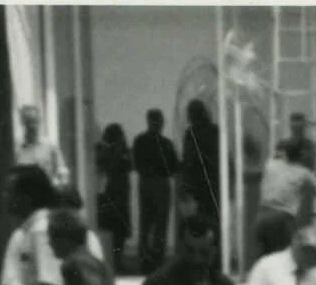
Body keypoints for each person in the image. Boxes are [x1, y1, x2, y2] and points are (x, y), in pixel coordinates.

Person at [133, 110, 180, 272]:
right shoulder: (166, 143)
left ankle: (144, 260)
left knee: (145, 224)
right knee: (161, 224)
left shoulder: (139, 141)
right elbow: (174, 167)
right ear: (161, 123)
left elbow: (136, 165)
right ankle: (158, 260)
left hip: (145, 183)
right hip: (161, 185)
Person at [94, 123, 134, 269]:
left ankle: (111, 259)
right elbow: (129, 165)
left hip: (107, 194)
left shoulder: (103, 150)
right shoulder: (122, 150)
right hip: (119, 195)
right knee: (119, 232)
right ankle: (117, 260)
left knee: (109, 229)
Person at [181, 98, 222, 234]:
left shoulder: (190, 132)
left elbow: (188, 159)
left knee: (199, 221)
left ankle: (200, 251)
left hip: (197, 183)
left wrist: (185, 186)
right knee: (215, 218)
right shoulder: (215, 130)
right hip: (215, 181)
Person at [16, 105, 70, 190]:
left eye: (34, 121)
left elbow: (62, 171)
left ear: (39, 121)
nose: (32, 126)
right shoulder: (16, 148)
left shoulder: (50, 146)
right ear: (22, 122)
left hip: (45, 196)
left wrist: (61, 186)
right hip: (23, 196)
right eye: (28, 121)